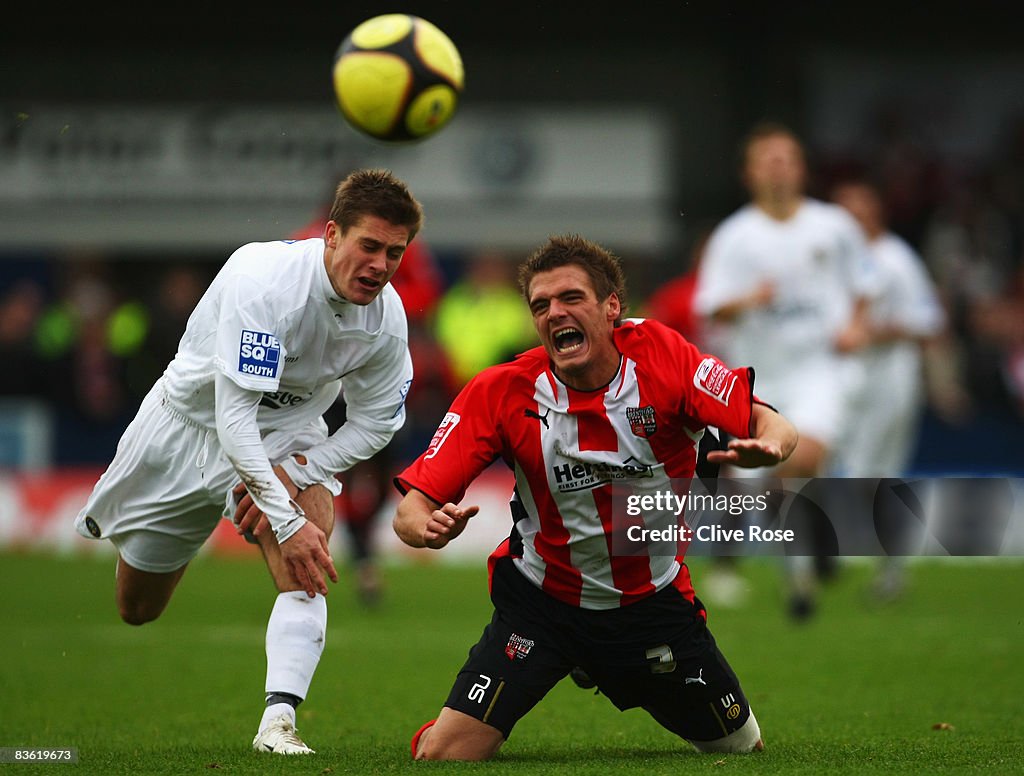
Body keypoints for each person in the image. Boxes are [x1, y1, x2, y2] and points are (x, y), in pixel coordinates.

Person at [392, 234, 798, 760]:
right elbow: (410, 508)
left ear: (612, 309)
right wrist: (423, 527)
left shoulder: (665, 357)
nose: (554, 313)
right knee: (442, 756)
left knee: (739, 747)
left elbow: (771, 421)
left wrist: (770, 448)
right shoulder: (501, 390)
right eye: (541, 305)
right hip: (543, 605)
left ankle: (612, 665)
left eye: (570, 298)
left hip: (651, 603)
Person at [74, 169, 422, 755]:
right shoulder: (265, 281)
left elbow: (377, 422)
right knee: (137, 609)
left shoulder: (385, 319)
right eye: (369, 245)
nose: (381, 265)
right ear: (331, 234)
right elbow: (233, 420)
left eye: (395, 252)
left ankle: (277, 725)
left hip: (287, 433)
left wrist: (298, 478)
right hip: (192, 431)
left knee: (307, 561)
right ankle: (177, 537)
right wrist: (282, 516)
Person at [693, 121, 880, 619]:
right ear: (749, 172)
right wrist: (748, 300)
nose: (777, 167)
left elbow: (865, 282)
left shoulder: (834, 226)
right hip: (759, 376)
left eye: (786, 157)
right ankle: (791, 571)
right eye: (766, 159)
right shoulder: (734, 237)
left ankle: (797, 572)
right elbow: (710, 308)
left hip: (822, 370)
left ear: (801, 168)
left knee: (800, 458)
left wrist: (857, 327)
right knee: (757, 477)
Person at [828, 178, 947, 598]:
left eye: (856, 213)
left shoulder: (896, 259)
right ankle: (852, 559)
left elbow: (928, 322)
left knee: (874, 474)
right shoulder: (836, 263)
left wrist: (869, 333)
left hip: (890, 376)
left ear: (874, 214)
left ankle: (890, 567)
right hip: (849, 377)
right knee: (851, 471)